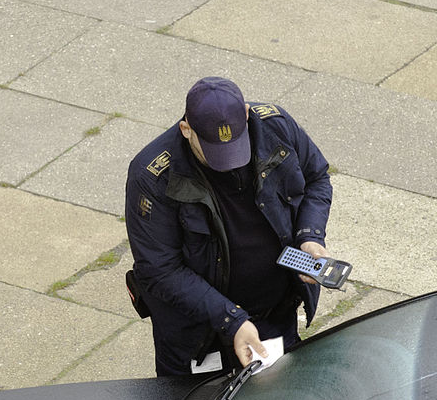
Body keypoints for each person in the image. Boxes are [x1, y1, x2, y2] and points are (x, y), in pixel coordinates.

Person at [125, 76, 332, 376]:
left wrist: (309, 235)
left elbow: (317, 178)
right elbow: (160, 270)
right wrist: (232, 320)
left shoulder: (277, 126)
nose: (231, 164)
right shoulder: (152, 177)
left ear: (246, 114)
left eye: (237, 146)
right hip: (200, 338)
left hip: (275, 318)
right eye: (215, 154)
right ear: (186, 130)